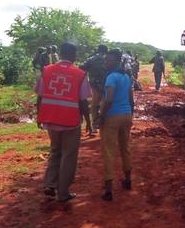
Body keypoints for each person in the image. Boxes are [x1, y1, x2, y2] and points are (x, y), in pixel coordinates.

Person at [35, 42, 91, 202]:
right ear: (73, 55)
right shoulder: (79, 74)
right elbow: (83, 102)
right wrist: (88, 121)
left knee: (55, 151)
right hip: (70, 121)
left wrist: (40, 116)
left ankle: (49, 184)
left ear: (60, 52)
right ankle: (63, 192)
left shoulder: (47, 70)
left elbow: (40, 96)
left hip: (51, 119)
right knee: (69, 155)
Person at [98, 49, 134, 201]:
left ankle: (108, 190)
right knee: (125, 148)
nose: (106, 62)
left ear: (116, 61)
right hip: (126, 115)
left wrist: (101, 116)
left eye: (108, 60)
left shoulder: (111, 77)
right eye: (105, 60)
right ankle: (128, 180)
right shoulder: (126, 76)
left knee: (109, 152)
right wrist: (130, 115)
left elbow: (109, 99)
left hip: (112, 116)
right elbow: (131, 100)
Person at [80, 45, 108, 136]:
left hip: (94, 86)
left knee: (94, 106)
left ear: (97, 50)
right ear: (106, 51)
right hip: (108, 85)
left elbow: (82, 67)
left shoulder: (91, 59)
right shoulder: (109, 59)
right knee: (107, 104)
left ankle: (94, 127)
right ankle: (106, 124)